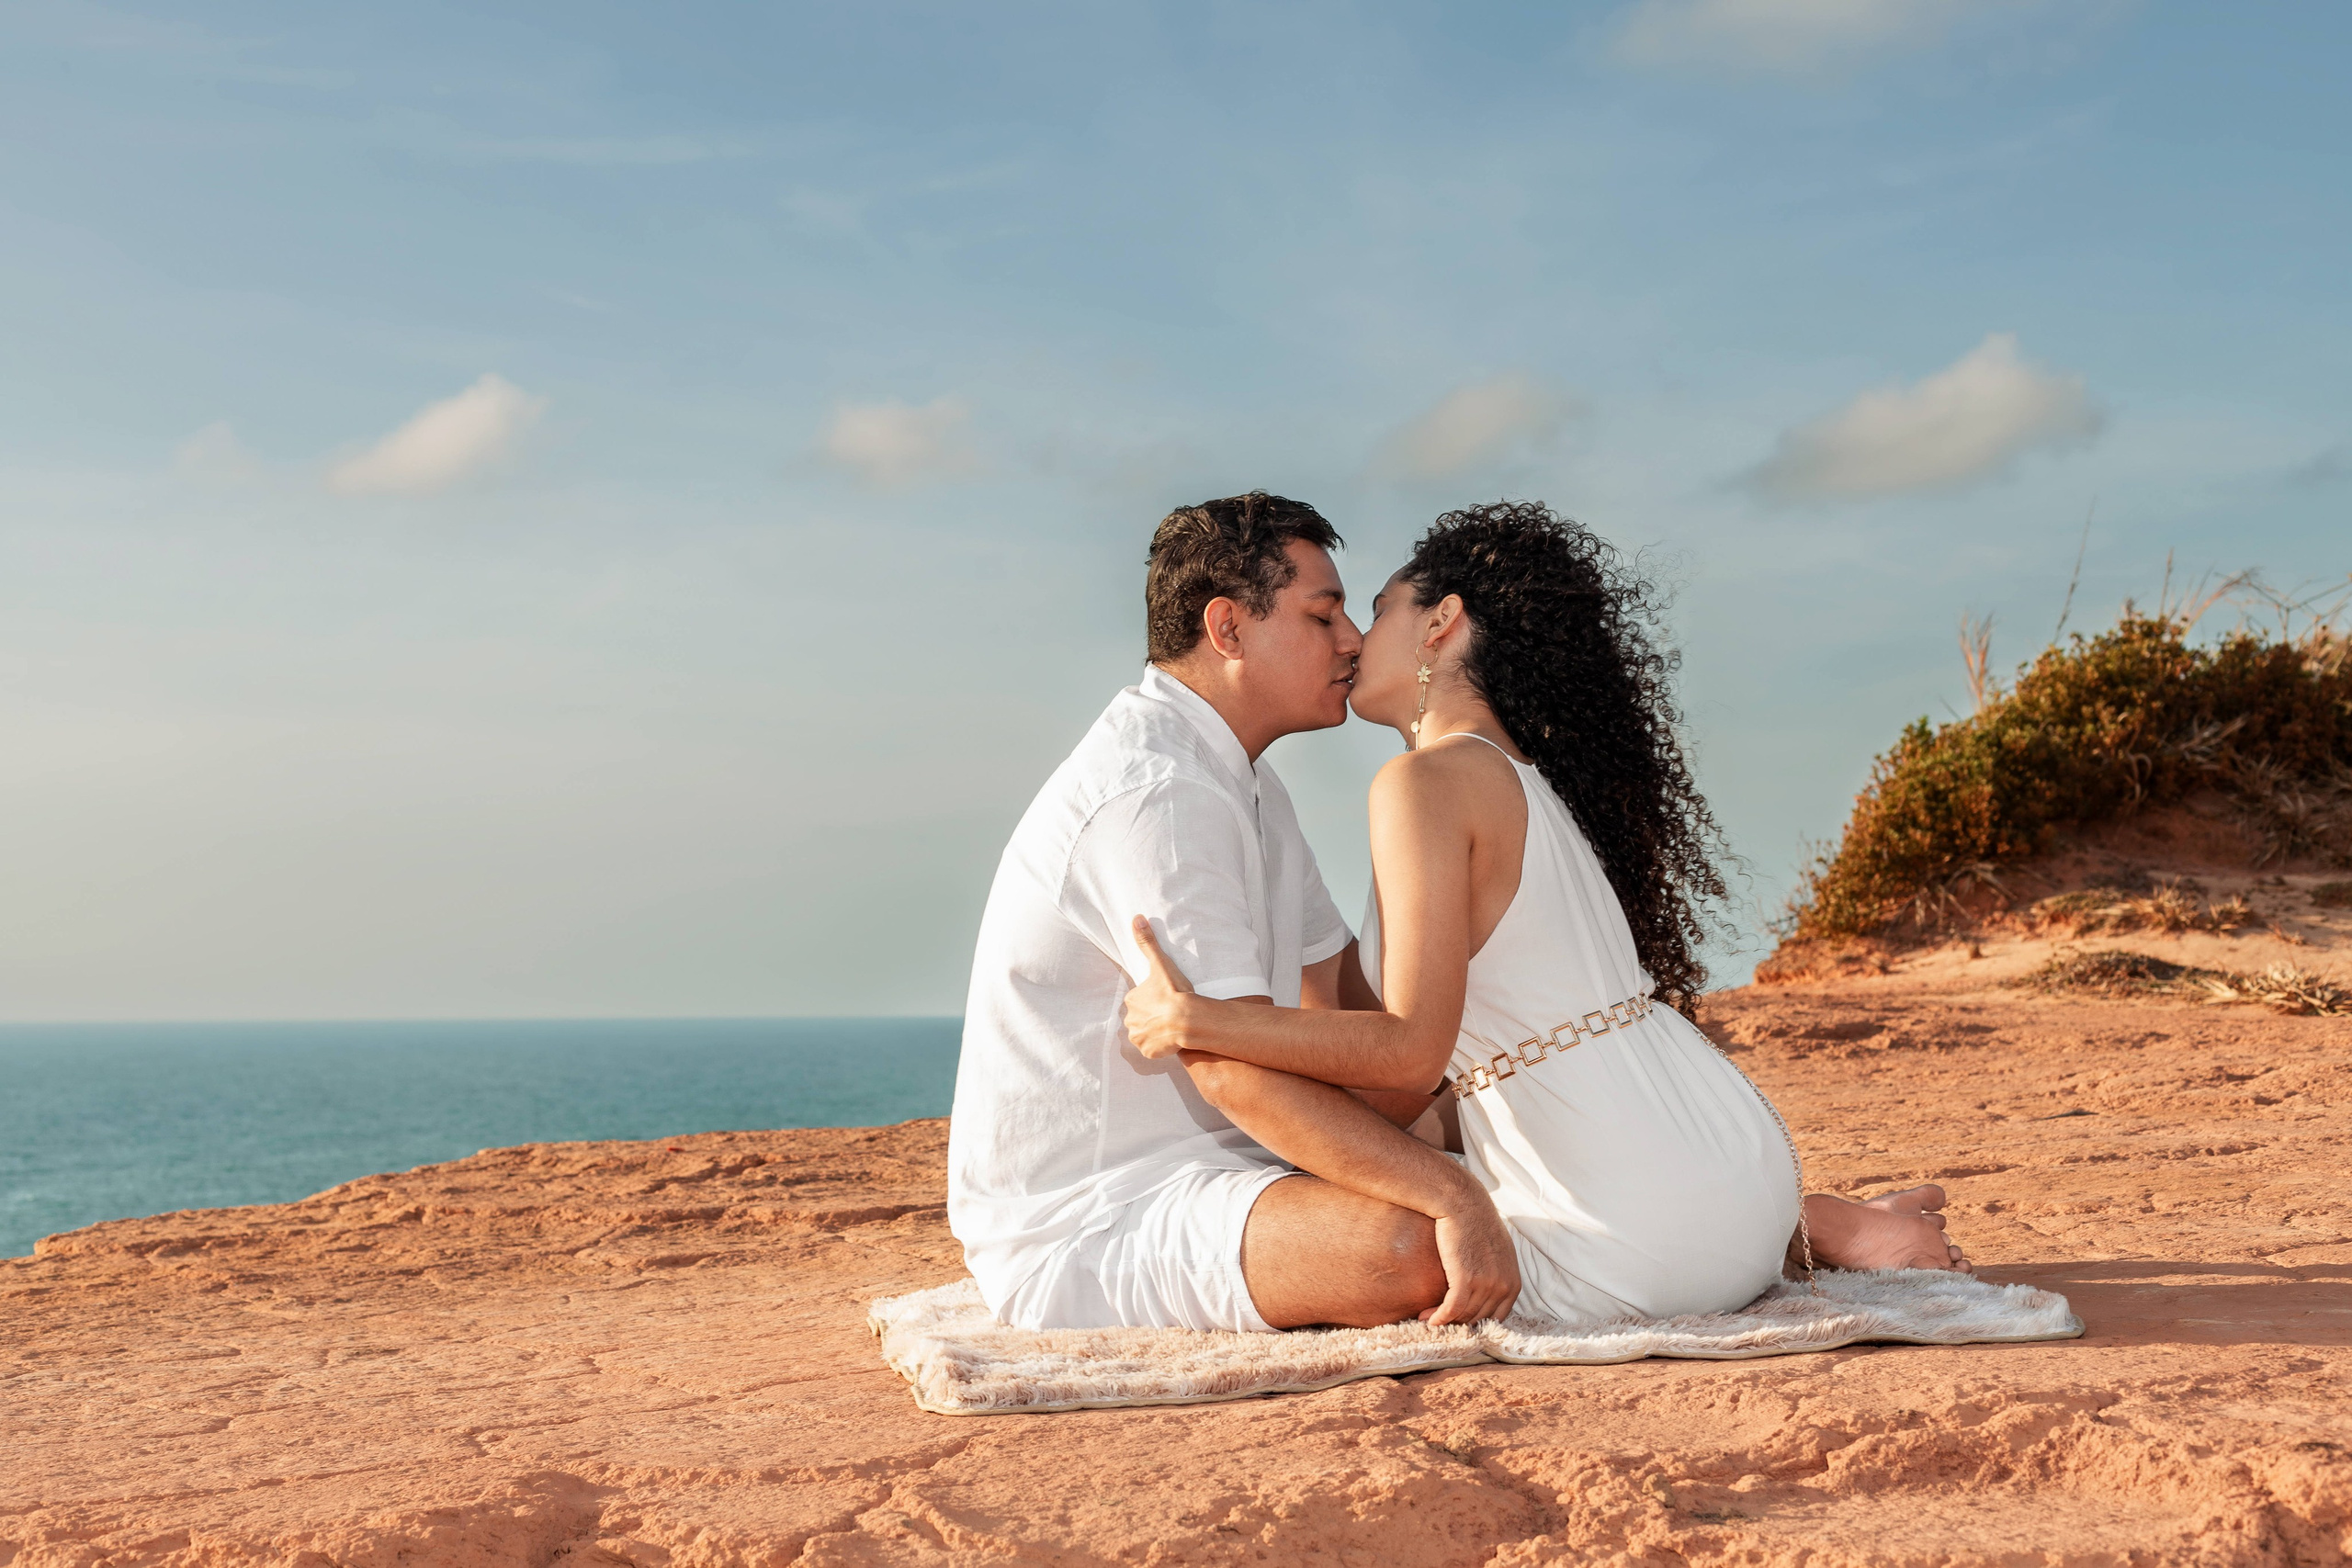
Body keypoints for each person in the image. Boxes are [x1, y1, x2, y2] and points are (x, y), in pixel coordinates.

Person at [1120, 500, 1968, 1329]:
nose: (1350, 639)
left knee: (1385, 1241)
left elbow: (1411, 1052)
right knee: (1407, 1134)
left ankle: (1820, 1224)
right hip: (1735, 1171)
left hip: (1640, 1242)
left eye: (1374, 611)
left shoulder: (1422, 783)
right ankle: (1820, 1223)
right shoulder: (1520, 776)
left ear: (1442, 622)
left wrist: (1199, 1018)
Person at [948, 492, 1521, 1333]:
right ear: (1228, 629)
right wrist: (1452, 1190)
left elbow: (1341, 999)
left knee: (1531, 1129)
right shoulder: (1159, 794)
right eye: (1322, 615)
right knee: (1414, 1246)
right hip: (1095, 1217)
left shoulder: (1249, 782)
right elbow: (1230, 1066)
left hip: (1229, 1164)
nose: (1353, 640)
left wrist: (1457, 896)